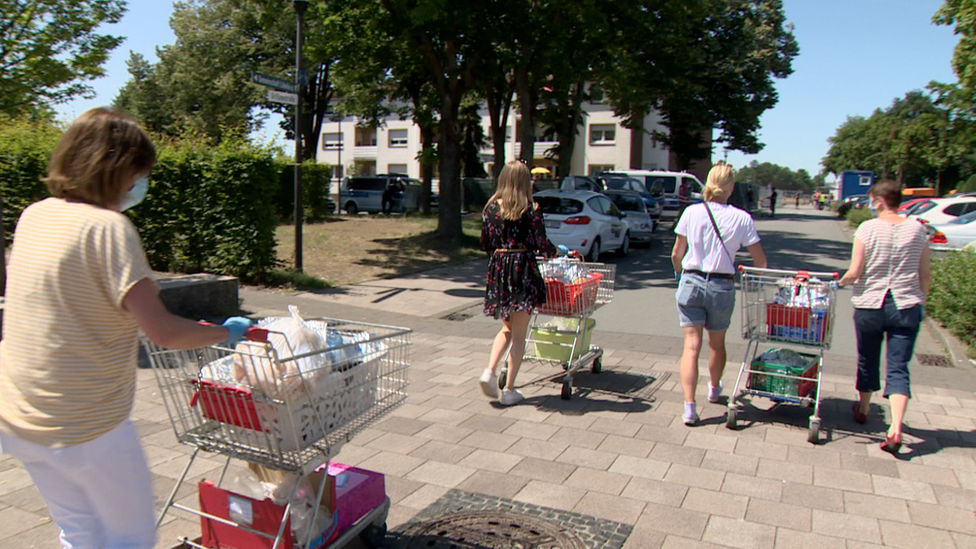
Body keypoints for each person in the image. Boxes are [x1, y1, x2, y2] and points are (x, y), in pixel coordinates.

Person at [0, 108, 253, 549]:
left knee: (80, 532)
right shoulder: (110, 228)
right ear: (117, 170)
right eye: (140, 173)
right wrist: (226, 333)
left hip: (19, 414)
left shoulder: (34, 214)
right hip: (87, 424)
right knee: (130, 538)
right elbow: (165, 333)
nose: (141, 184)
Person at [671, 162, 767, 425]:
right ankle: (714, 389)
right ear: (732, 188)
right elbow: (760, 261)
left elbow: (676, 254)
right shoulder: (742, 218)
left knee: (691, 347)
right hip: (722, 286)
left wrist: (680, 275)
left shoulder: (691, 212)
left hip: (691, 281)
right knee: (716, 344)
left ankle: (689, 408)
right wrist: (756, 279)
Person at [839, 179, 930, 454]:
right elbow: (924, 273)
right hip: (906, 304)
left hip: (870, 304)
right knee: (898, 365)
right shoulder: (918, 230)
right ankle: (896, 427)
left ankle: (864, 408)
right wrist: (920, 300)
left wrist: (840, 282)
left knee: (868, 357)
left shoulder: (867, 228)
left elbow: (855, 271)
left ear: (878, 201)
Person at [479, 160, 557, 406]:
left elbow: (485, 242)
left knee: (507, 328)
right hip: (522, 269)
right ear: (525, 181)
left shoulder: (491, 208)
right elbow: (540, 242)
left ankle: (489, 371)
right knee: (520, 335)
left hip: (500, 268)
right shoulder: (530, 208)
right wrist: (556, 252)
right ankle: (509, 390)